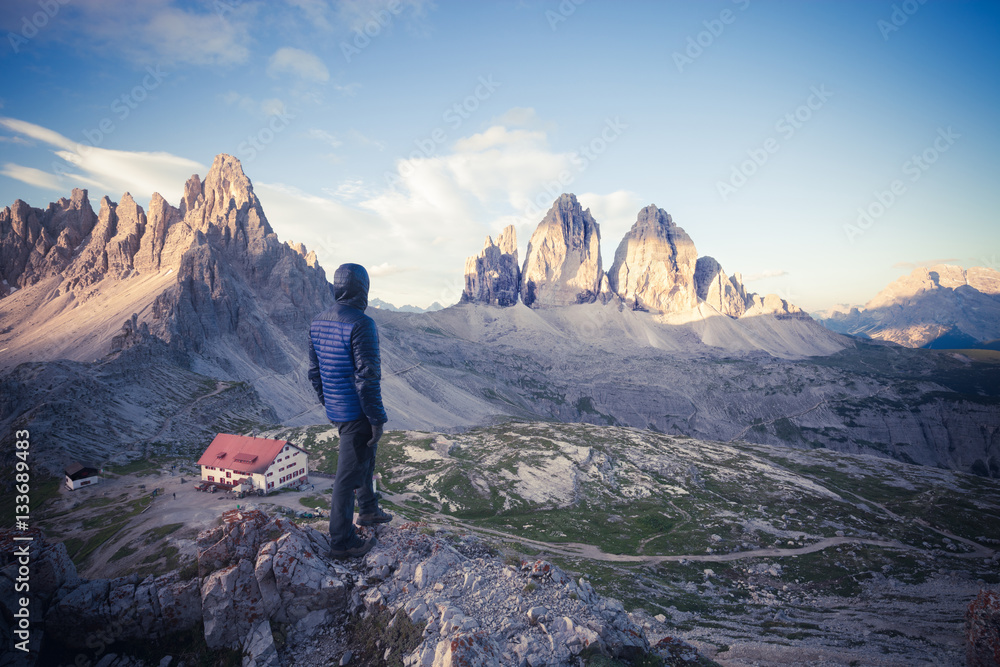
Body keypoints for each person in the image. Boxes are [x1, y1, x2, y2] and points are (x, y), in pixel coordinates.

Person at [308, 263, 391, 558]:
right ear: (362, 288)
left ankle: (368, 510)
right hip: (356, 411)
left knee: (365, 455)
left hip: (338, 408)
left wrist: (328, 402)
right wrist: (376, 418)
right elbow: (367, 377)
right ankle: (342, 540)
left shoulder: (317, 322)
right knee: (346, 475)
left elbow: (314, 372)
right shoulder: (361, 323)